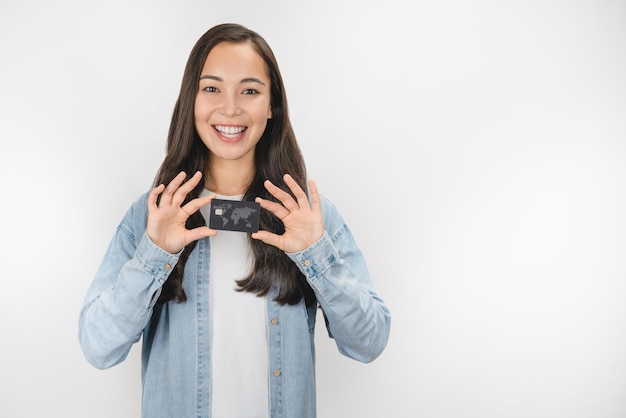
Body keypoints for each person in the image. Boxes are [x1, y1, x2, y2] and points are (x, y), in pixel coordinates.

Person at [78, 22, 391, 418]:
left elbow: (369, 342)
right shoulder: (151, 216)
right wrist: (154, 253)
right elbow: (98, 347)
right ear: (190, 99)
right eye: (211, 88)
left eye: (250, 90)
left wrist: (316, 254)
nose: (230, 108)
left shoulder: (311, 216)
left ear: (271, 105)